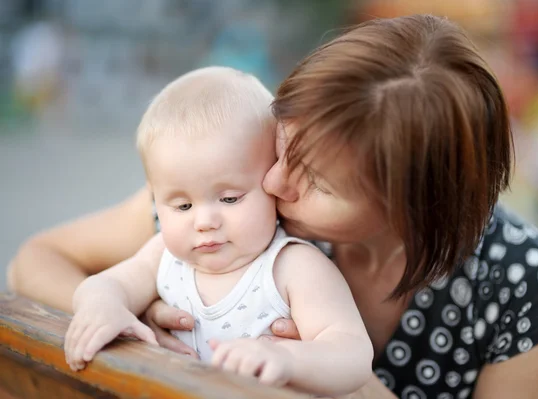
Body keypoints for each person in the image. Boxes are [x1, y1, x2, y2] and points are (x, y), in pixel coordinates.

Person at [8, 15, 538, 398]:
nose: (275, 181)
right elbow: (36, 260)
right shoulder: (228, 212)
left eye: (317, 180)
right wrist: (134, 322)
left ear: (412, 208)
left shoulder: (516, 280)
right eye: (285, 142)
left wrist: (348, 385)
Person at [63, 66, 373, 397]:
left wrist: (287, 357)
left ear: (270, 181)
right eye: (182, 206)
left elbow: (352, 352)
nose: (204, 221)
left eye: (229, 198)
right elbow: (104, 285)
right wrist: (102, 307)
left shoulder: (292, 266)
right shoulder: (163, 256)